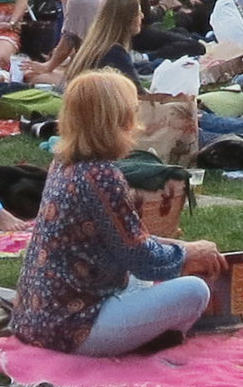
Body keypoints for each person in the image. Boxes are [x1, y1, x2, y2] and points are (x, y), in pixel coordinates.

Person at [12, 71, 227, 354]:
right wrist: (188, 253)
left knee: (149, 278)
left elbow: (127, 239)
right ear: (117, 120)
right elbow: (142, 259)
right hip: (74, 326)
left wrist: (184, 249)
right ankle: (152, 338)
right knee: (194, 292)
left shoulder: (64, 164)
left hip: (36, 316)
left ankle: (149, 330)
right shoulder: (100, 176)